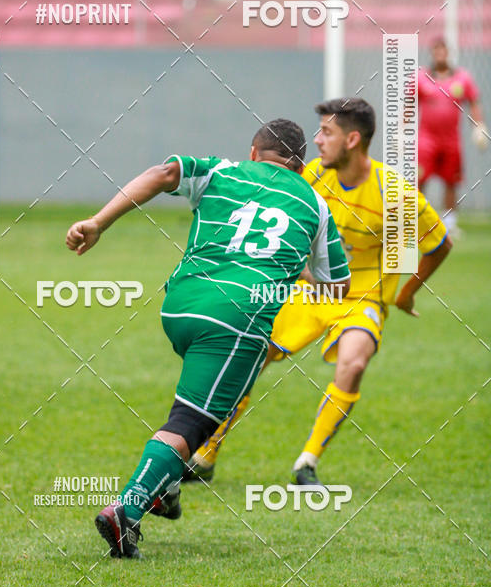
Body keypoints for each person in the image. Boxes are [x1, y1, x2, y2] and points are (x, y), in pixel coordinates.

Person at [65, 118, 350, 558]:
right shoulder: (314, 203)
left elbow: (163, 174)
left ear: (255, 152)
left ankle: (167, 487)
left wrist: (99, 222)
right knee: (192, 421)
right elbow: (338, 287)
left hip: (179, 305)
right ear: (301, 165)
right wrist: (295, 267)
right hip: (237, 320)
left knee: (204, 399)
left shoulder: (223, 170)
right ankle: (128, 509)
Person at [184, 98, 452, 488]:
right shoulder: (310, 176)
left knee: (354, 363)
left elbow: (438, 244)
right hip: (308, 293)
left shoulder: (393, 194)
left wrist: (406, 293)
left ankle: (306, 464)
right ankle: (205, 455)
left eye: (327, 132)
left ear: (353, 139)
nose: (318, 140)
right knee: (250, 356)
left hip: (361, 298)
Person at [418, 38, 488, 236]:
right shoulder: (421, 77)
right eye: (436, 50)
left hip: (451, 140)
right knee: (418, 180)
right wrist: (401, 129)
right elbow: (408, 105)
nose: (440, 54)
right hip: (426, 140)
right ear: (432, 53)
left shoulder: (462, 78)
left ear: (448, 53)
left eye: (443, 50)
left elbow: (474, 103)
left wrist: (479, 125)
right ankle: (416, 221)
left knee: (451, 181)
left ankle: (449, 223)